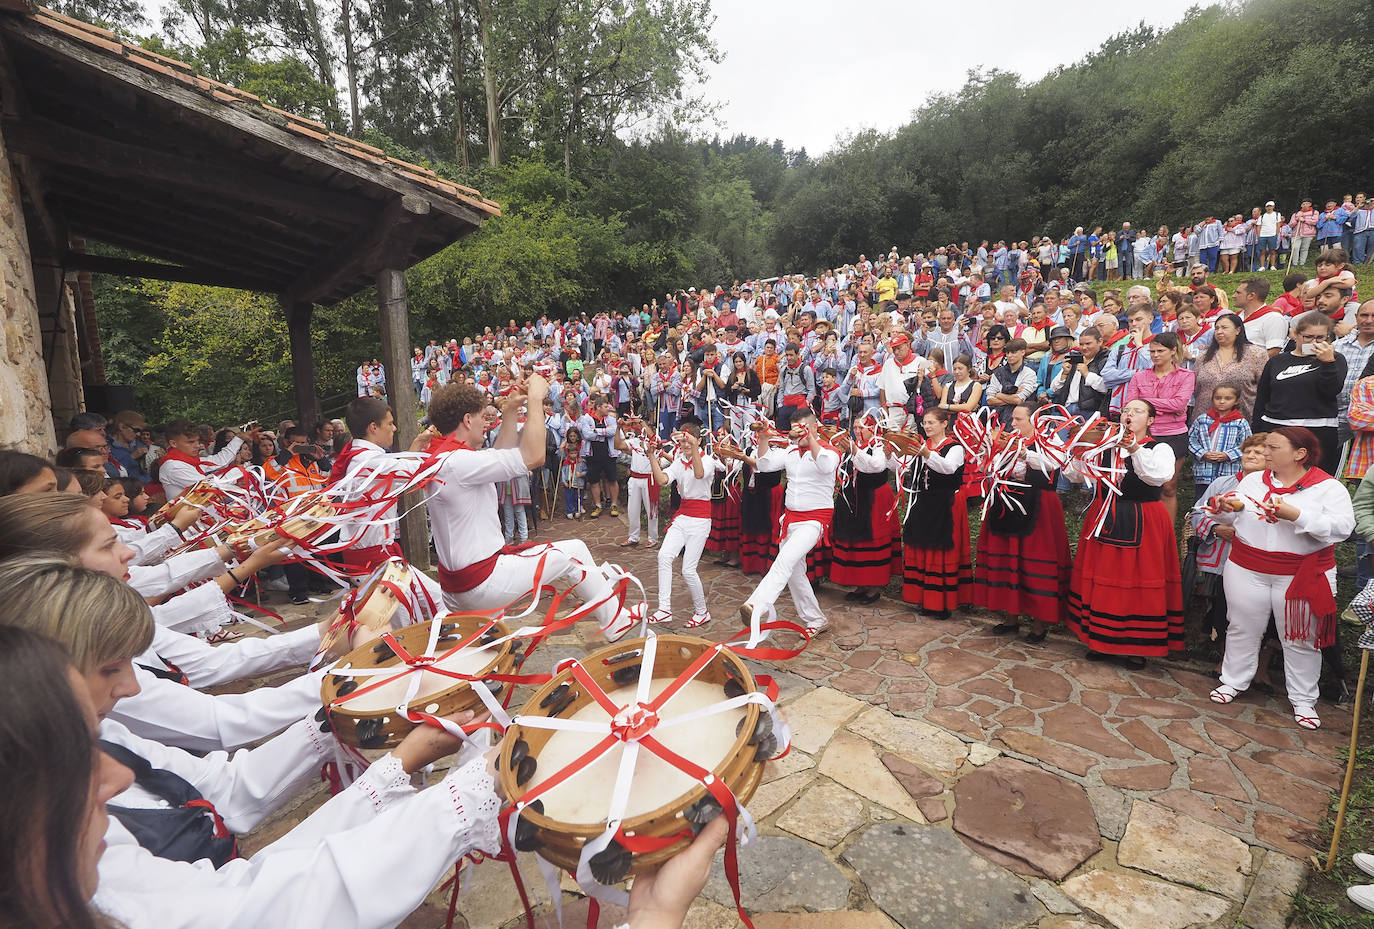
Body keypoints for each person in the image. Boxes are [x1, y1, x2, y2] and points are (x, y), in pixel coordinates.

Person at [423, 378, 641, 642]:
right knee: (574, 552)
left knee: (492, 651)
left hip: (457, 588)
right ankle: (614, 620)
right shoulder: (460, 462)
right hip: (481, 584)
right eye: (482, 417)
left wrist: (510, 412)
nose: (485, 423)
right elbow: (535, 457)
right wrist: (536, 400)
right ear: (468, 420)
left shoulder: (443, 458)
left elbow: (499, 460)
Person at [1204, 427, 1354, 730]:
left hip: (1300, 573)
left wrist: (1295, 514)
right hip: (1247, 566)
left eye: (1273, 447)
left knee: (1301, 638)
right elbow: (1233, 516)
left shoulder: (1327, 487)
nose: (1265, 452)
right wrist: (1223, 510)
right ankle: (1233, 680)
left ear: (1299, 454)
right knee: (1242, 626)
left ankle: (1303, 699)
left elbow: (1343, 528)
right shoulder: (1252, 481)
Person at [1066, 399, 1183, 668]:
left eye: (1138, 411)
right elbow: (1075, 475)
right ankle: (1100, 639)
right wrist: (1079, 450)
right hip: (1105, 515)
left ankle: (1136, 646)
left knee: (1137, 581)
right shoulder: (1103, 445)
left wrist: (1132, 447)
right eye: (1126, 410)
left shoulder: (1159, 447)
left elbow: (1160, 476)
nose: (1129, 414)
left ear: (1151, 421)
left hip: (1143, 517)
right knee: (1103, 577)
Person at [964, 404, 1071, 643]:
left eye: (1018, 419)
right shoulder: (1009, 439)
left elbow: (1054, 463)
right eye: (1012, 419)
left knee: (1037, 563)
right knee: (1007, 558)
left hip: (1040, 505)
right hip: (1008, 502)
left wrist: (1023, 453)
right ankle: (1011, 618)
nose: (1013, 424)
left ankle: (1039, 624)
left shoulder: (1050, 440)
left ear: (1034, 420)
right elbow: (991, 467)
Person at [739, 408, 839, 635]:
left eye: (803, 427)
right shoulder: (791, 452)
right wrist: (764, 439)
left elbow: (824, 466)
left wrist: (810, 438)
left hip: (815, 520)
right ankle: (816, 619)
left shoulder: (830, 451)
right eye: (795, 428)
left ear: (815, 427)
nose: (798, 433)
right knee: (794, 572)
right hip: (791, 518)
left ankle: (757, 605)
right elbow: (764, 465)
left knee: (784, 560)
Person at [1189, 434, 1270, 649]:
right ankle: (1209, 640)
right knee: (1216, 601)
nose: (1250, 455)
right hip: (1219, 556)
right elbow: (1197, 513)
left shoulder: (1273, 490)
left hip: (1252, 561)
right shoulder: (1222, 483)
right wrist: (1216, 529)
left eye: (1258, 452)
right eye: (1247, 451)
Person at [647, 416, 721, 629]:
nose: (685, 445)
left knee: (688, 570)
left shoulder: (707, 460)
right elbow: (662, 480)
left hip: (700, 520)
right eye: (682, 441)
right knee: (664, 556)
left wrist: (695, 447)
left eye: (689, 440)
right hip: (683, 516)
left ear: (698, 441)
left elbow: (699, 474)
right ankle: (664, 609)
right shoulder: (679, 461)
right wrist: (652, 456)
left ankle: (702, 611)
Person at [1252, 311, 1345, 473]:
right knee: (1274, 475)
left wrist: (1328, 362)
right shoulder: (1277, 361)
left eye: (1320, 338)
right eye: (1308, 337)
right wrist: (1257, 433)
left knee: (1314, 480)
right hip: (1277, 427)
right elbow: (1262, 397)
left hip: (1319, 429)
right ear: (1296, 334)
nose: (1314, 342)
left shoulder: (1336, 359)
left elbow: (1332, 391)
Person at [899, 410, 968, 620]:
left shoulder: (954, 447)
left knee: (940, 550)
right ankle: (923, 598)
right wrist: (891, 451)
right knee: (921, 546)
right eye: (924, 423)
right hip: (925, 501)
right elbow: (901, 466)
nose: (927, 426)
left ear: (944, 423)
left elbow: (948, 468)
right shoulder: (922, 445)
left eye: (931, 423)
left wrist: (926, 453)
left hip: (946, 503)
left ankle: (941, 603)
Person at [1125, 332, 1194, 523]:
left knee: (1168, 485)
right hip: (1144, 434)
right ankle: (1143, 524)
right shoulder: (1140, 376)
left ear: (1173, 351)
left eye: (1160, 351)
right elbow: (1131, 404)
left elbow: (1180, 405)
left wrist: (1145, 403)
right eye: (1152, 351)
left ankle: (1167, 534)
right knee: (1141, 481)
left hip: (1173, 435)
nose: (1155, 355)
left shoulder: (1186, 376)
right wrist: (1166, 405)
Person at [830, 424, 899, 605]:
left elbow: (875, 466)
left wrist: (854, 450)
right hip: (853, 497)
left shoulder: (878, 446)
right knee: (855, 539)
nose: (858, 430)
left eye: (863, 427)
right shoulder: (852, 445)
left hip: (874, 498)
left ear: (873, 428)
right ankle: (860, 584)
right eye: (855, 427)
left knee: (872, 539)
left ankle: (873, 587)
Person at [1192, 313, 1269, 421]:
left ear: (1238, 330)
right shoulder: (1203, 357)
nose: (1219, 331)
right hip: (1205, 421)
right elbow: (1195, 388)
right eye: (1217, 328)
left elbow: (1265, 388)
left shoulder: (1256, 354)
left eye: (1224, 327)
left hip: (1243, 420)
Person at [157, 420, 254, 502]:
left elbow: (219, 460)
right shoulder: (173, 466)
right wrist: (238, 471)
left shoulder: (189, 461)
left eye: (197, 441)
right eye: (190, 442)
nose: (197, 445)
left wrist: (239, 438)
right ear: (173, 443)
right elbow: (208, 487)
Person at [1188, 384, 1251, 498]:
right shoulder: (1202, 419)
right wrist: (1203, 453)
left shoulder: (1240, 423)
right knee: (1202, 499)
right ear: (1212, 399)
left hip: (1228, 471)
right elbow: (1191, 439)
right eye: (1218, 398)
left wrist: (1227, 455)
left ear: (1236, 401)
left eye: (1228, 398)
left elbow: (1246, 445)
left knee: (1226, 501)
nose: (1222, 401)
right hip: (1205, 471)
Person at [616, 418, 660, 548]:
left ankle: (653, 537)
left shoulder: (654, 442)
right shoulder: (634, 442)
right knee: (632, 510)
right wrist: (618, 428)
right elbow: (618, 445)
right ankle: (633, 536)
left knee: (652, 510)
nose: (642, 431)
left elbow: (651, 435)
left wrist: (641, 421)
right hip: (635, 478)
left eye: (644, 428)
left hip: (649, 480)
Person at [876, 333, 926, 430]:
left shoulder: (920, 361)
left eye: (899, 348)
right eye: (894, 349)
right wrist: (884, 409)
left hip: (913, 410)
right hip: (894, 409)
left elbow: (933, 374)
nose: (897, 352)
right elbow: (882, 388)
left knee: (911, 440)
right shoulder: (888, 363)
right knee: (893, 439)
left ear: (908, 345)